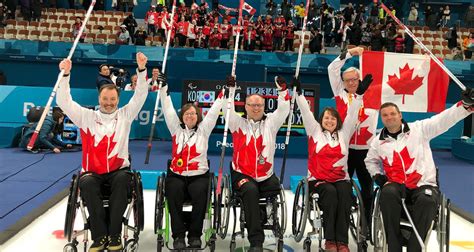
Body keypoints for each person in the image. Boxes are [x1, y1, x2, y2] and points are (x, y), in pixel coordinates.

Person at [56, 52, 149, 252]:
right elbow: (64, 102)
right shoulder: (86, 117)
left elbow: (141, 95)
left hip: (118, 171)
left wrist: (141, 71)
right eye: (105, 99)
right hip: (92, 173)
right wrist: (65, 76)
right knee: (87, 183)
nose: (109, 102)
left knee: (124, 180)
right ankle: (99, 238)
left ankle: (114, 236)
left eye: (113, 99)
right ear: (99, 98)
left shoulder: (125, 115)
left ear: (118, 99)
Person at [365, 88, 474, 252]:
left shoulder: (420, 129)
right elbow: (370, 160)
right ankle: (393, 246)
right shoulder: (377, 141)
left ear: (400, 115)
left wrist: (464, 105)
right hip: (396, 184)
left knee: (427, 200)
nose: (389, 117)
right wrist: (377, 175)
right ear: (382, 119)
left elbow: (443, 120)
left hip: (423, 184)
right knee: (387, 193)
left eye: (392, 113)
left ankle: (414, 248)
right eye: (385, 115)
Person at [295, 71, 371, 252]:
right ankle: (330, 240)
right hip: (318, 180)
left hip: (340, 179)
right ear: (321, 120)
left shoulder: (344, 135)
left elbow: (352, 114)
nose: (329, 120)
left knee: (345, 195)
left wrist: (359, 95)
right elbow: (305, 112)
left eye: (333, 118)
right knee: (329, 193)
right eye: (326, 118)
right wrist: (298, 94)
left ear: (338, 122)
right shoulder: (314, 132)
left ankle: (342, 242)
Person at [224, 75, 290, 252]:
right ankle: (256, 242)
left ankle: (264, 219)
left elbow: (284, 110)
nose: (255, 108)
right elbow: (227, 109)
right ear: (245, 106)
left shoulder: (271, 123)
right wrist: (230, 91)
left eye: (259, 105)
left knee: (263, 189)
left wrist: (283, 91)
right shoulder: (237, 123)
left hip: (266, 175)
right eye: (252, 105)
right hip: (242, 174)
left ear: (264, 106)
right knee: (251, 190)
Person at [159, 72, 224, 249]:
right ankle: (178, 236)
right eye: (186, 114)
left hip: (199, 175)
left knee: (200, 194)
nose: (190, 116)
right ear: (182, 117)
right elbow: (167, 108)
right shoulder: (175, 129)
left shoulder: (204, 130)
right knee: (173, 192)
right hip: (177, 174)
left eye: (193, 114)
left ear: (198, 116)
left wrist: (225, 91)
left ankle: (195, 235)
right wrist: (163, 88)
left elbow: (214, 110)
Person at [328, 46, 377, 231]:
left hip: (366, 149)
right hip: (345, 148)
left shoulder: (373, 92)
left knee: (367, 188)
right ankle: (343, 220)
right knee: (342, 187)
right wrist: (351, 53)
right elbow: (331, 69)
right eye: (347, 80)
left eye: (354, 79)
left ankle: (366, 224)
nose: (351, 83)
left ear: (359, 79)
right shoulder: (340, 93)